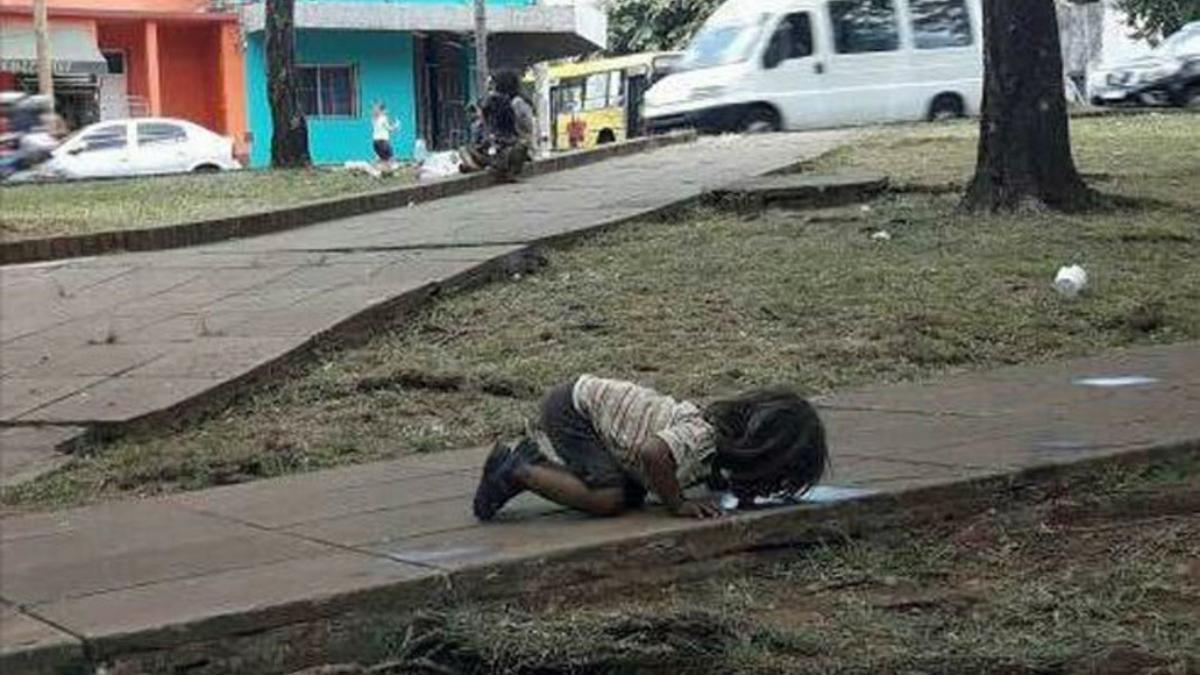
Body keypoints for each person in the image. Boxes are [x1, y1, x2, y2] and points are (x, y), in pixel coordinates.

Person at [472, 375, 829, 521]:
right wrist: (678, 503)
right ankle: (517, 470)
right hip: (575, 410)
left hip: (589, 410)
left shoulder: (714, 450)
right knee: (609, 499)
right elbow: (651, 454)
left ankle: (533, 464)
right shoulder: (701, 438)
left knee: (631, 497)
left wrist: (744, 496)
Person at [371, 102, 399, 168]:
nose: (387, 111)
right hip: (383, 141)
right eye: (385, 110)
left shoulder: (374, 119)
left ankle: (377, 169)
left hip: (375, 142)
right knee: (390, 157)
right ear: (382, 110)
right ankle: (392, 168)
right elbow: (390, 129)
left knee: (383, 159)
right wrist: (396, 125)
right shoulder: (383, 118)